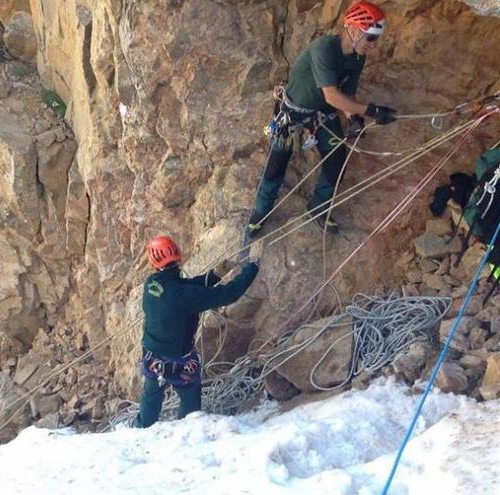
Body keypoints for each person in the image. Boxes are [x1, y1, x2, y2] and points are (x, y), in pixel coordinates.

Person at [246, 1, 397, 236]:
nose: (374, 45)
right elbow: (331, 94)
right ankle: (260, 211)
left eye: (376, 39)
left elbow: (346, 92)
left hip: (322, 114)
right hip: (294, 113)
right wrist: (369, 111)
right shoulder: (324, 48)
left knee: (337, 156)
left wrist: (353, 117)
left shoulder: (357, 58)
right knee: (277, 162)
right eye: (370, 38)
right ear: (355, 30)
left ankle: (318, 207)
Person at [136, 235, 260, 428]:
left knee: (150, 401)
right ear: (177, 256)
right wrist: (253, 268)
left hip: (153, 358)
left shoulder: (152, 284)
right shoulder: (183, 294)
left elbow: (184, 288)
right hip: (179, 360)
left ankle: (141, 431)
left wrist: (215, 275)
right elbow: (228, 294)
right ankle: (187, 429)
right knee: (190, 401)